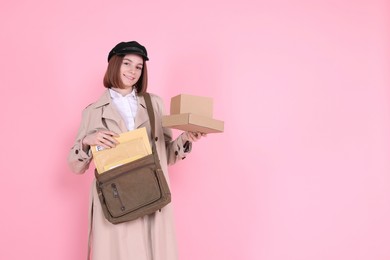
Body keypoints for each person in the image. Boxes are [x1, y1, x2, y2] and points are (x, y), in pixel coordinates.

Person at [67, 41, 206, 260]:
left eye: (139, 67)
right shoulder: (92, 111)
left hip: (151, 196)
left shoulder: (154, 104)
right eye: (127, 63)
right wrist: (87, 140)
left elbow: (166, 154)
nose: (133, 71)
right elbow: (76, 166)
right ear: (114, 65)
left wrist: (187, 138)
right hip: (115, 200)